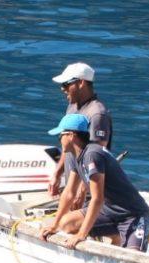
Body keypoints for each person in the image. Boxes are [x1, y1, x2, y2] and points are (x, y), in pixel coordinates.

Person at [40, 114, 149, 252]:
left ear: (71, 135)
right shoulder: (74, 156)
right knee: (67, 223)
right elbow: (69, 192)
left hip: (133, 215)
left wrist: (82, 234)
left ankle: (120, 236)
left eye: (60, 136)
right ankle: (116, 234)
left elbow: (97, 198)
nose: (59, 140)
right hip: (108, 212)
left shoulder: (92, 154)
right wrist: (54, 225)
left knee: (133, 257)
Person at [48, 62, 113, 196]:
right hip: (72, 187)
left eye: (66, 84)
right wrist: (57, 174)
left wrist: (83, 190)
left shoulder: (97, 114)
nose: (62, 89)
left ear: (81, 83)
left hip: (88, 192)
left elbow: (96, 156)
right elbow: (68, 147)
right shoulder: (72, 107)